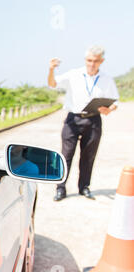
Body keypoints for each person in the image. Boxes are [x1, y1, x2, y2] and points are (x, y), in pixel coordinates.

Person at [48, 45, 119, 201]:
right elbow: (52, 84)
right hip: (73, 120)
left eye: (95, 61)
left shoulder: (107, 79)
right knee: (66, 155)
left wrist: (110, 109)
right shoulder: (74, 74)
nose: (91, 64)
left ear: (102, 61)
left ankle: (84, 187)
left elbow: (115, 100)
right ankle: (60, 188)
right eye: (89, 60)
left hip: (94, 119)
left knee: (88, 156)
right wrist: (51, 69)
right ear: (85, 60)